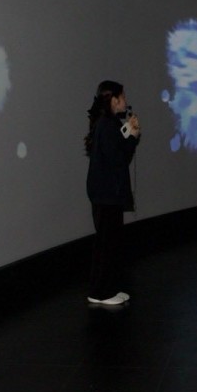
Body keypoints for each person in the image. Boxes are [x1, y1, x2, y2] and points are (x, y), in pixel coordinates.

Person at [84, 80, 140, 306]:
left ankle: (105, 289)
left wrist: (128, 134)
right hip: (106, 194)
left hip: (106, 194)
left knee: (108, 243)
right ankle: (100, 292)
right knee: (107, 245)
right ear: (114, 100)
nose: (125, 100)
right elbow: (119, 159)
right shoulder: (107, 126)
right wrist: (132, 137)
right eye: (122, 96)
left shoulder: (108, 123)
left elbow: (115, 153)